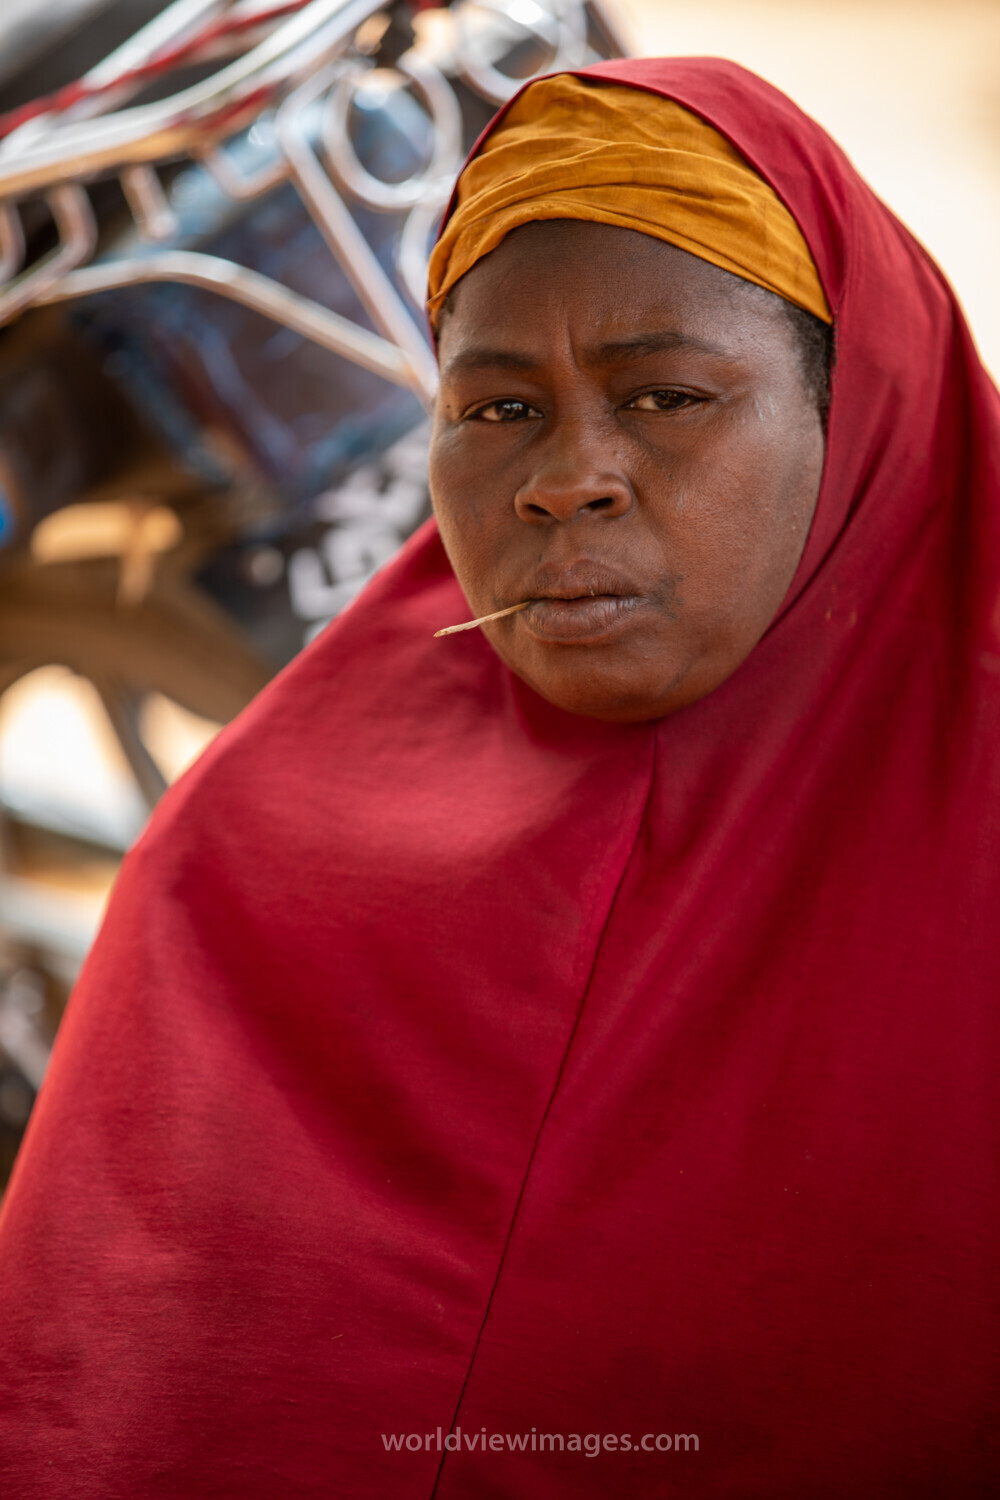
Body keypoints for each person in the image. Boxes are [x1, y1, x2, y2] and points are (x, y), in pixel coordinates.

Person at [0, 55, 998, 1499]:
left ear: (858, 418)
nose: (566, 478)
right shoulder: (254, 860)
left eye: (665, 395)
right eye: (497, 411)